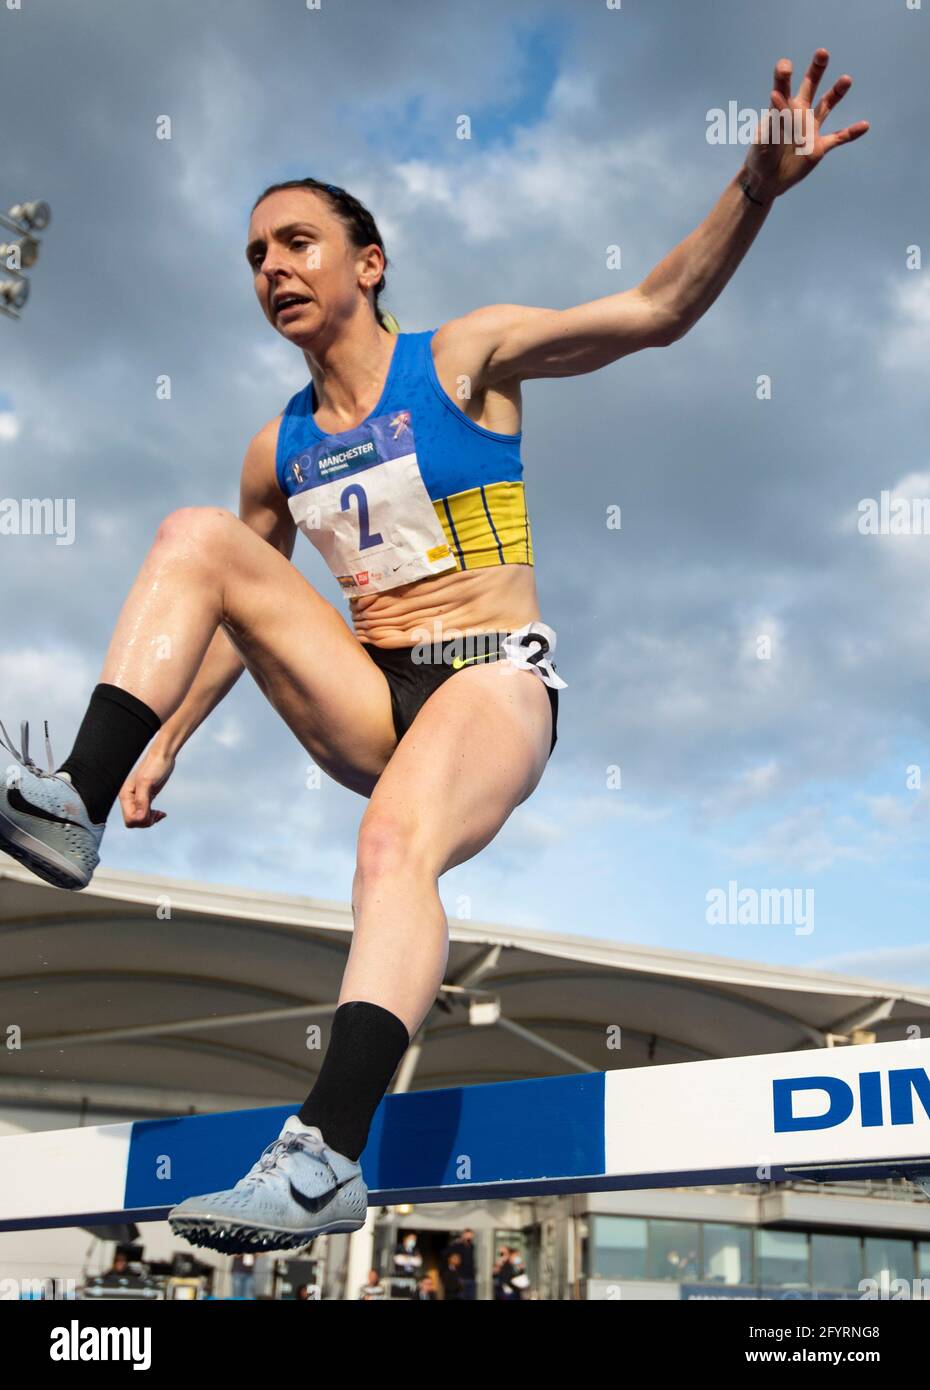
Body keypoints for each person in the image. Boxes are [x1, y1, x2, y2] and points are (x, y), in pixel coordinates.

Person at [0, 49, 867, 1255]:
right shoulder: (280, 447)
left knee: (393, 842)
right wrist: (164, 745)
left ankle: (322, 1158)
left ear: (369, 263)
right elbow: (227, 613)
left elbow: (656, 312)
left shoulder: (465, 357)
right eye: (254, 256)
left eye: (295, 242)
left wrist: (755, 189)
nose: (271, 269)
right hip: (368, 692)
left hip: (492, 676)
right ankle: (72, 803)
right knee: (196, 533)